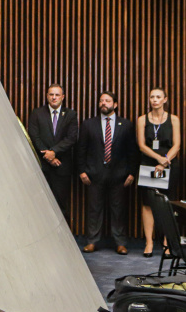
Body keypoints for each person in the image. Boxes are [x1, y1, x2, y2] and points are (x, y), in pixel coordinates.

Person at [77, 91, 139, 254]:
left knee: (118, 210)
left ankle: (120, 243)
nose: (103, 103)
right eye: (101, 100)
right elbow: (81, 149)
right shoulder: (88, 124)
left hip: (119, 175)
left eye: (107, 100)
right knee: (94, 209)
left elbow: (132, 151)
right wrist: (82, 171)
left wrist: (132, 173)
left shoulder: (126, 124)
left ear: (115, 104)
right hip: (94, 174)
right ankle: (92, 241)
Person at [136, 88, 181, 257]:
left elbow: (177, 145)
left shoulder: (174, 119)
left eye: (158, 97)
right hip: (148, 165)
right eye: (152, 97)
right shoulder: (142, 119)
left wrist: (165, 161)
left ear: (165, 100)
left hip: (168, 165)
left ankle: (167, 243)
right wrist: (158, 159)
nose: (154, 100)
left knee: (168, 203)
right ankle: (149, 243)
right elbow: (142, 145)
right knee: (147, 204)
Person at [27, 84, 79, 223]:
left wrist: (54, 152)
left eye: (57, 95)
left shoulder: (71, 115)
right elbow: (34, 137)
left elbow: (71, 138)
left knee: (61, 205)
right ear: (47, 96)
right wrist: (49, 157)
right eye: (51, 94)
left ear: (63, 97)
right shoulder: (37, 113)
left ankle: (62, 235)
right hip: (42, 166)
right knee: (40, 204)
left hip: (62, 166)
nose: (54, 97)